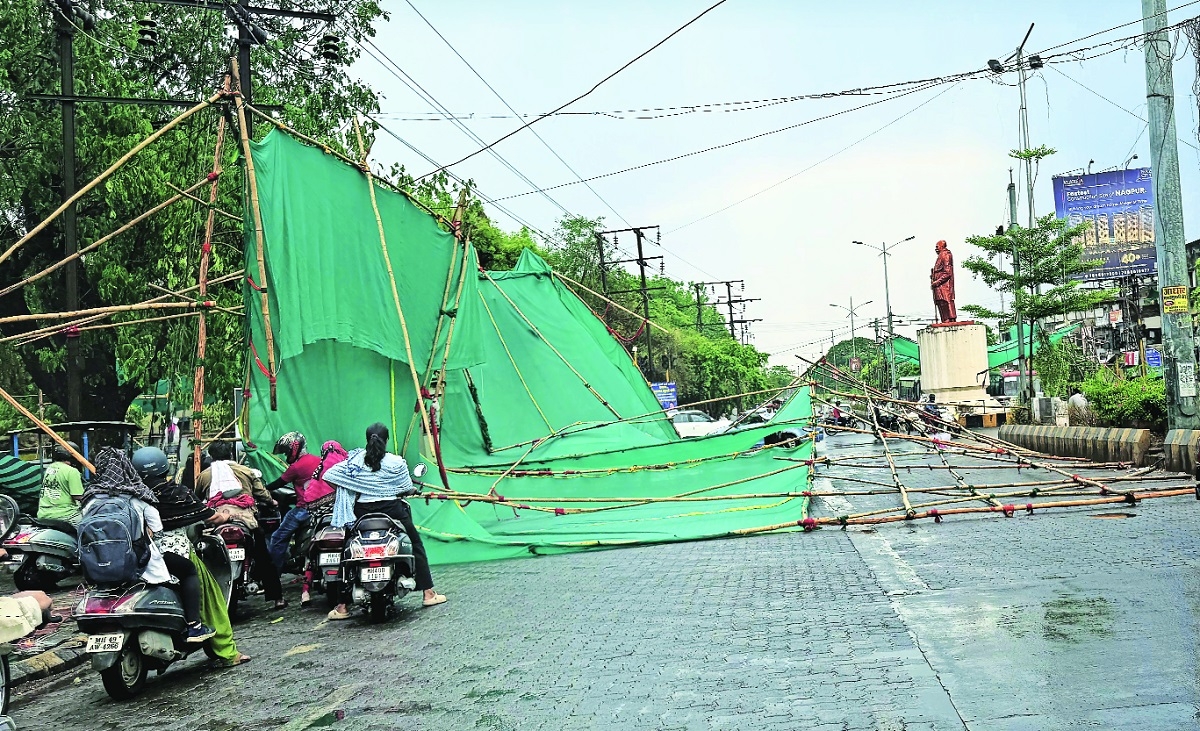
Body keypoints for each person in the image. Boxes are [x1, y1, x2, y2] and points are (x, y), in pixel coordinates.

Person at [132, 447, 251, 667]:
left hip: (140, 556)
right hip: (176, 550)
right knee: (211, 599)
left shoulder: (133, 495)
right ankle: (223, 649)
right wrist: (226, 515)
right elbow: (210, 516)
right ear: (164, 467)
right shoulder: (174, 493)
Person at [82, 447, 215, 642]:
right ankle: (194, 625)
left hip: (97, 566)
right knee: (188, 570)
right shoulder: (137, 496)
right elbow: (158, 529)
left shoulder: (90, 500)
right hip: (139, 562)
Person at [323, 423, 445, 620]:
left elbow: (328, 475)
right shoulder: (396, 462)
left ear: (366, 438)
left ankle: (342, 606)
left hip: (362, 513)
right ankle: (428, 593)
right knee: (416, 545)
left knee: (346, 551)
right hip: (393, 511)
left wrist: (350, 485)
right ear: (386, 440)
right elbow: (405, 487)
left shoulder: (354, 462)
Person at [196, 441, 286, 610]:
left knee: (206, 556)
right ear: (230, 454)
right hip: (245, 520)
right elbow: (262, 494)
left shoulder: (205, 475)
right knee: (263, 557)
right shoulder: (246, 471)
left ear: (211, 457)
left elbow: (197, 498)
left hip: (217, 520)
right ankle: (277, 597)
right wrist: (271, 501)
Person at [264, 432, 336, 572]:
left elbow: (278, 483)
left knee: (277, 538)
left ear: (294, 447)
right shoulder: (318, 460)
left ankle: (274, 573)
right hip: (324, 507)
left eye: (286, 452)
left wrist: (262, 488)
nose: (286, 455)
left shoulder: (296, 468)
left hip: (304, 509)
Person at [37, 441, 84, 525]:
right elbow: (77, 496)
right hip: (65, 515)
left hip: (43, 513)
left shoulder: (50, 468)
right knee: (89, 526)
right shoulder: (72, 471)